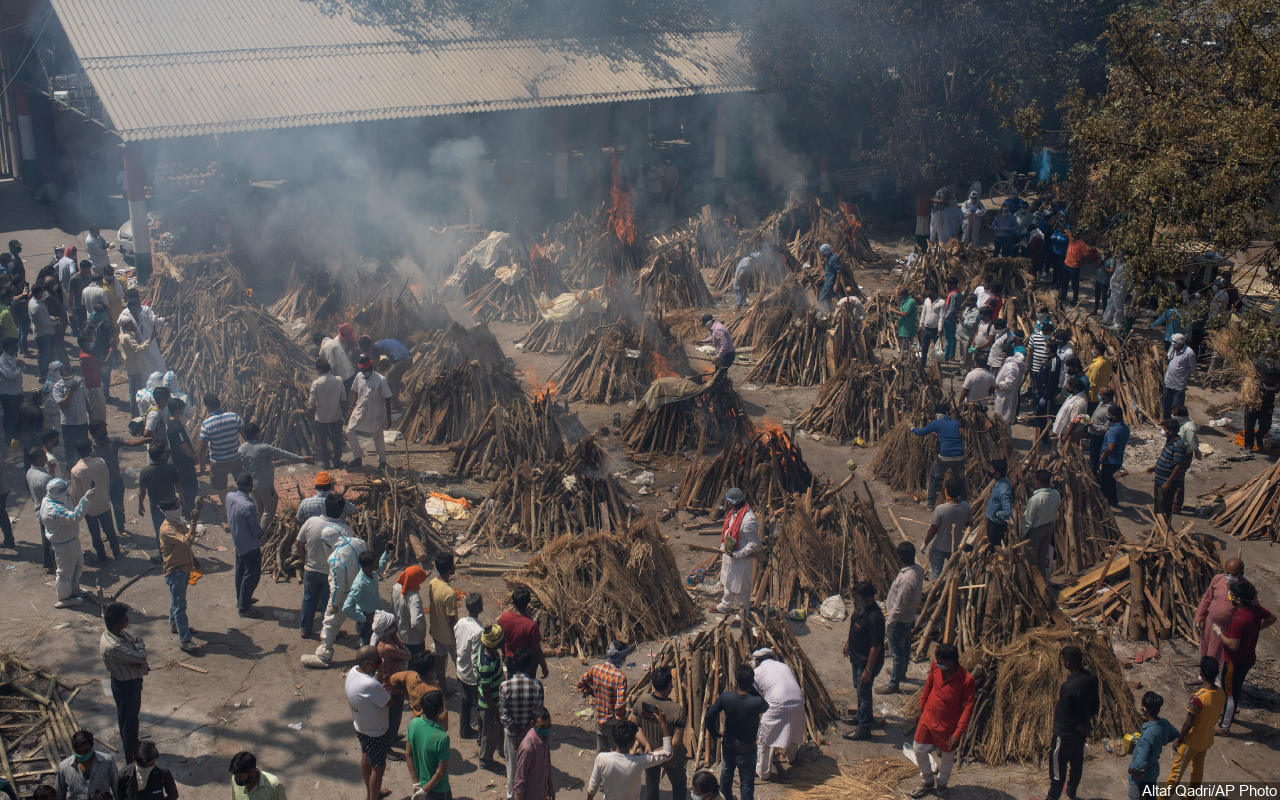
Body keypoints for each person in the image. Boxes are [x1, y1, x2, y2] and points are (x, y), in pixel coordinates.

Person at [909, 643, 974, 799]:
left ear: (951, 662)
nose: (937, 663)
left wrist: (958, 733)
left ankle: (942, 783)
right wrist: (921, 708)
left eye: (941, 661)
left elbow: (968, 708)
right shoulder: (936, 667)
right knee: (918, 748)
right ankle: (927, 779)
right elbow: (928, 685)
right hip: (928, 717)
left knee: (947, 757)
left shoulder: (966, 680)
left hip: (948, 725)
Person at [1213, 578, 1274, 733]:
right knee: (1235, 689)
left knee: (1231, 694)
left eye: (1231, 594)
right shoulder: (1256, 610)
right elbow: (1272, 618)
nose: (1229, 596)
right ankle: (1228, 714)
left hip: (1234, 661)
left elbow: (1233, 645)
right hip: (1248, 658)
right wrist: (1255, 629)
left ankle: (1224, 727)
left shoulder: (1239, 619)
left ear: (1238, 599)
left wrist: (1219, 633)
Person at [295, 493, 355, 638]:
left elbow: (298, 543)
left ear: (325, 506)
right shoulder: (345, 530)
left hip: (311, 569)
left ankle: (305, 629)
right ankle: (328, 631)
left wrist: (305, 560)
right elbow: (348, 555)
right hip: (332, 573)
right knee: (329, 604)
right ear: (342, 511)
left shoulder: (311, 522)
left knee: (309, 599)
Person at [704, 664, 767, 800]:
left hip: (729, 745)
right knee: (747, 783)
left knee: (726, 776)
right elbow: (766, 706)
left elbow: (709, 716)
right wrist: (752, 688)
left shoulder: (726, 698)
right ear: (751, 683)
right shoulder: (756, 701)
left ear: (736, 682)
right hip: (748, 748)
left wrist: (714, 733)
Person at [1045, 645, 1099, 800]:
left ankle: (1052, 797)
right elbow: (1095, 705)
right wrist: (1084, 722)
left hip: (1064, 734)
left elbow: (1064, 714)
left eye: (1062, 660)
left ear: (1067, 663)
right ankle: (1071, 791)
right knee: (1076, 765)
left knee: (1057, 773)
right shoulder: (1091, 678)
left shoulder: (1068, 687)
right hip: (1080, 733)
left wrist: (1065, 728)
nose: (1062, 663)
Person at [627, 665, 688, 800]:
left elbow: (633, 725)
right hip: (672, 758)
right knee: (679, 785)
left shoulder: (643, 701)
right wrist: (660, 751)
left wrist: (647, 744)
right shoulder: (677, 710)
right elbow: (676, 742)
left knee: (652, 785)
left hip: (649, 755)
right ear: (669, 685)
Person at [1166, 657, 1226, 788]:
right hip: (1206, 740)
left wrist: (1178, 739)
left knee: (1175, 775)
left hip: (1191, 742)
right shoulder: (1221, 693)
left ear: (1201, 674)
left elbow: (1188, 723)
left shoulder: (1198, 698)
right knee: (1197, 772)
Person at [101, 601, 149, 763]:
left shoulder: (117, 634)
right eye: (125, 619)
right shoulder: (115, 646)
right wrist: (140, 647)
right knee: (129, 723)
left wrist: (137, 647)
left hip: (129, 682)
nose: (128, 622)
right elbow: (140, 656)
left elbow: (134, 641)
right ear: (118, 623)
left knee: (130, 719)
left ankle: (133, 745)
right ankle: (132, 757)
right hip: (126, 686)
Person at [238, 422, 309, 528]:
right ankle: (260, 535)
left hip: (251, 485)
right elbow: (284, 453)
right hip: (265, 485)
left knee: (258, 511)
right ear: (257, 435)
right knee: (269, 511)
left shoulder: (241, 449)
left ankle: (254, 531)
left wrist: (275, 463)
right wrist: (303, 459)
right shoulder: (264, 448)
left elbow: (253, 462)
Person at [345, 645, 393, 800]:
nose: (378, 665)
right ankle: (373, 797)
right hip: (376, 732)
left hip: (361, 726)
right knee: (378, 768)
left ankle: (371, 793)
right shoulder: (370, 685)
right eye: (376, 662)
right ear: (367, 663)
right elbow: (389, 702)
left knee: (366, 757)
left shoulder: (353, 672)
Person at [586, 718, 673, 800]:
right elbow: (668, 753)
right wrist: (663, 724)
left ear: (615, 738)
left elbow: (592, 787)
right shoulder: (639, 761)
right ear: (632, 742)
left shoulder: (602, 759)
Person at [878, 541, 923, 696]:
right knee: (904, 648)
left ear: (899, 557)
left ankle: (893, 684)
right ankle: (901, 672)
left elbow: (899, 605)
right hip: (909, 617)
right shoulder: (918, 569)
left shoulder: (906, 580)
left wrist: (889, 623)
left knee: (897, 653)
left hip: (900, 619)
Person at [750, 649, 803, 781]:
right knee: (793, 728)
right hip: (798, 700)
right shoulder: (784, 666)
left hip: (777, 702)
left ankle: (763, 772)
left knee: (765, 738)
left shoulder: (757, 672)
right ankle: (792, 757)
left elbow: (752, 694)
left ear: (757, 661)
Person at [41, 478, 94, 607]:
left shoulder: (55, 498)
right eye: (65, 490)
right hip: (63, 544)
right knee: (64, 572)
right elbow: (74, 517)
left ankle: (74, 590)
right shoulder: (53, 510)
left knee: (77, 565)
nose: (67, 492)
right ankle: (64, 598)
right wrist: (85, 499)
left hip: (71, 539)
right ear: (58, 492)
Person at [501, 649, 546, 800]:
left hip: (511, 735)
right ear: (530, 665)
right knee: (531, 769)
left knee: (512, 770)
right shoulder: (537, 686)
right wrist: (525, 732)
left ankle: (511, 796)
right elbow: (538, 714)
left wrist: (517, 732)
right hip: (531, 736)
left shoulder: (505, 686)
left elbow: (503, 715)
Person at [843, 581, 884, 741]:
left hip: (867, 662)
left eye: (858, 598)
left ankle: (864, 729)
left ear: (868, 599)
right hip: (856, 657)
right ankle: (860, 717)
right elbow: (853, 625)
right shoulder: (860, 609)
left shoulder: (875, 617)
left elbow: (876, 647)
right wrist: (848, 643)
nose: (855, 601)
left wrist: (868, 670)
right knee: (859, 691)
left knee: (864, 694)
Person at [157, 497, 199, 652]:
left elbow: (186, 547)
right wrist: (194, 522)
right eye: (176, 507)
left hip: (184, 568)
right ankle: (185, 640)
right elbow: (187, 542)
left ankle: (175, 625)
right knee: (180, 606)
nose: (179, 508)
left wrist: (194, 559)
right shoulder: (168, 529)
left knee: (176, 601)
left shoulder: (178, 522)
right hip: (176, 571)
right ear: (168, 511)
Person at [70, 439, 121, 562]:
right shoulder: (101, 462)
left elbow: (77, 493)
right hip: (103, 502)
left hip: (89, 507)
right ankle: (117, 552)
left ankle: (102, 556)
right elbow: (107, 481)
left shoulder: (75, 470)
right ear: (90, 449)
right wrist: (105, 494)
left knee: (95, 534)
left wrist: (79, 507)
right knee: (110, 530)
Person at [579, 641, 632, 752]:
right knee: (620, 754)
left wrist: (592, 692)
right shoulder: (620, 678)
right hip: (612, 723)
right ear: (621, 657)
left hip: (598, 719)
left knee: (602, 753)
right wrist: (622, 719)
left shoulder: (596, 669)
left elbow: (580, 682)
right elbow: (619, 707)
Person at [715, 488, 759, 621]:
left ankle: (742, 614)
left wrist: (738, 554)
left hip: (740, 560)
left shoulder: (748, 520)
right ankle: (725, 605)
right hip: (729, 555)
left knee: (741, 588)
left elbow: (753, 543)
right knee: (727, 582)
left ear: (731, 502)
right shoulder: (734, 513)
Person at [227, 473, 264, 617]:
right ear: (250, 486)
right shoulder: (248, 506)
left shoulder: (229, 496)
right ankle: (244, 607)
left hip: (238, 542)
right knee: (252, 575)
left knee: (241, 572)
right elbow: (256, 531)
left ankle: (241, 599)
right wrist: (263, 536)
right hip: (250, 546)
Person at [1195, 557, 1244, 666]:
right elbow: (1206, 599)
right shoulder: (1218, 579)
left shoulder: (1245, 588)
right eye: (1227, 573)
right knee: (1206, 650)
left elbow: (1250, 612)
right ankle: (1203, 676)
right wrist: (1199, 616)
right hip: (1210, 624)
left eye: (1233, 574)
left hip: (1226, 629)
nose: (1229, 577)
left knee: (1220, 655)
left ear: (1241, 573)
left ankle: (1216, 679)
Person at [1128, 692, 1177, 800]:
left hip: (1141, 777)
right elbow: (1175, 734)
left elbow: (1139, 763)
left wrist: (1131, 770)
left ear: (1144, 709)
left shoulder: (1148, 735)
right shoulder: (1163, 723)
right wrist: (1161, 741)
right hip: (1153, 769)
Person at [372, 610, 412, 746]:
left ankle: (392, 737)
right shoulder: (388, 647)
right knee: (393, 717)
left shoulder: (379, 640)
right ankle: (388, 745)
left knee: (392, 717)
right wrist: (397, 639)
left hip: (387, 684)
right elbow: (407, 655)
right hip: (391, 687)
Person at [197, 394, 245, 504]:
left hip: (218, 462)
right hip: (236, 458)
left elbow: (203, 447)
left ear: (207, 407)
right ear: (219, 404)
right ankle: (244, 504)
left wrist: (201, 463)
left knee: (221, 489)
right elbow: (245, 436)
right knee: (241, 484)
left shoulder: (206, 424)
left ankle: (228, 509)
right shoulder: (234, 417)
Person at [347, 356, 392, 470]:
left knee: (378, 437)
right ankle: (358, 458)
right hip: (360, 410)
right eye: (362, 370)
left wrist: (389, 417)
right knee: (349, 431)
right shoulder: (359, 376)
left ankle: (382, 462)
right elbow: (355, 392)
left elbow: (388, 398)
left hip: (375, 413)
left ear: (371, 368)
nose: (363, 372)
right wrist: (351, 407)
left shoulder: (380, 380)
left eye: (365, 370)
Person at [138, 444, 181, 560]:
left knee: (160, 532)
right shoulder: (171, 468)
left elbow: (142, 492)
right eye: (164, 453)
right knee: (174, 529)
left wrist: (140, 505)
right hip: (172, 505)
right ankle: (176, 553)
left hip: (156, 507)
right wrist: (182, 500)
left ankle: (164, 556)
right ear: (161, 456)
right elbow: (179, 486)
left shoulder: (145, 471)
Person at [407, 690, 452, 800]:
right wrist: (425, 790)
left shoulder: (413, 724)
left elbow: (408, 754)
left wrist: (416, 783)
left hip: (421, 784)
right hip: (439, 790)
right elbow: (440, 773)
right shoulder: (442, 738)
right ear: (441, 710)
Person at [498, 587, 549, 679]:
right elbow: (537, 650)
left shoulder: (504, 617)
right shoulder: (531, 626)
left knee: (511, 684)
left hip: (510, 659)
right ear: (528, 603)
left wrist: (504, 654)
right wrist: (544, 668)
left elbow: (501, 639)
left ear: (513, 601)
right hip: (527, 663)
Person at [1020, 469, 1062, 580]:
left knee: (1032, 558)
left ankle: (1034, 582)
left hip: (1036, 531)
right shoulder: (1056, 494)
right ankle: (1043, 579)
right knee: (1043, 556)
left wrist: (1022, 535)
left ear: (1037, 482)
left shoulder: (1035, 499)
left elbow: (1028, 520)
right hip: (1049, 528)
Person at [344, 549, 391, 645]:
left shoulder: (371, 573)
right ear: (369, 565)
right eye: (376, 562)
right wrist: (364, 618)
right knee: (368, 648)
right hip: (366, 624)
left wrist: (386, 552)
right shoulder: (359, 584)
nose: (378, 563)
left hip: (375, 618)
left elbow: (381, 567)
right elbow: (346, 608)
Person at [924, 480, 970, 579]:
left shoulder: (940, 509)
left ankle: (935, 590)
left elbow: (933, 530)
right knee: (951, 573)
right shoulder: (966, 507)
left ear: (947, 492)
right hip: (955, 548)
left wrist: (925, 543)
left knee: (936, 573)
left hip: (939, 547)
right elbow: (969, 524)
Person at [49, 361, 90, 470]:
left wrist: (90, 413)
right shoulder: (58, 387)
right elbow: (62, 403)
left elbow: (85, 398)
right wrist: (71, 391)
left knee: (84, 447)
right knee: (70, 448)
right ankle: (72, 469)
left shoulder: (80, 381)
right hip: (69, 424)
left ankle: (85, 468)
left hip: (82, 421)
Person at [454, 592, 485, 738]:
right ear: (480, 607)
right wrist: (480, 677)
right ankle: (480, 733)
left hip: (461, 669)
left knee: (464, 702)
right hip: (472, 676)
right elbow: (475, 658)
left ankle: (464, 730)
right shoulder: (479, 631)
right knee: (479, 704)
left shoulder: (460, 622)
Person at [476, 624, 507, 767]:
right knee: (490, 733)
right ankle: (485, 760)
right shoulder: (487, 664)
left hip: (485, 701)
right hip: (490, 704)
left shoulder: (484, 650)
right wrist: (495, 711)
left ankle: (484, 743)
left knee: (485, 728)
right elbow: (487, 690)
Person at [428, 553, 460, 689]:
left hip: (436, 631)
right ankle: (465, 691)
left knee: (440, 662)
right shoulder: (450, 593)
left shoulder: (432, 583)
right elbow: (451, 619)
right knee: (459, 663)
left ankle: (444, 689)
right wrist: (457, 637)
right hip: (449, 637)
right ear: (450, 569)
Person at [56, 731, 118, 800]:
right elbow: (59, 793)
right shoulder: (64, 766)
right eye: (78, 752)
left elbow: (117, 788)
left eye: (86, 751)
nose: (82, 755)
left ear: (92, 746)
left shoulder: (107, 761)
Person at [1149, 418, 1191, 521]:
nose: (1163, 431)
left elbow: (1178, 466)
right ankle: (1158, 528)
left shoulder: (1178, 445)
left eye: (1165, 429)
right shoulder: (1170, 441)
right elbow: (1167, 459)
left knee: (1164, 508)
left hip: (1166, 482)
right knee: (1158, 505)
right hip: (1160, 479)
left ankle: (1163, 529)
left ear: (1171, 431)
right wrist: (1155, 467)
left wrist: (1168, 483)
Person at [117, 288, 165, 376]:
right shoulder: (126, 314)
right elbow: (120, 322)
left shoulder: (144, 310)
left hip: (149, 343)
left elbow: (154, 320)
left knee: (156, 364)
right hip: (139, 346)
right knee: (145, 368)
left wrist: (164, 320)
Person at [309, 358, 347, 468]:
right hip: (336, 415)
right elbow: (344, 398)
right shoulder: (339, 380)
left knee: (322, 440)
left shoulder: (316, 383)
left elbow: (311, 403)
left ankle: (325, 462)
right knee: (337, 439)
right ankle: (337, 460)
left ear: (318, 370)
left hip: (321, 418)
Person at [165, 399, 199, 515]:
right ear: (178, 410)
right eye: (182, 409)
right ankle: (188, 509)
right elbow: (183, 445)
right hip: (183, 462)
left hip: (178, 461)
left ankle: (186, 507)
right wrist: (193, 456)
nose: (183, 411)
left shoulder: (170, 423)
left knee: (184, 486)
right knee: (190, 486)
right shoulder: (176, 427)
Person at [26, 447, 57, 571]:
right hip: (49, 513)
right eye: (44, 456)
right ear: (38, 459)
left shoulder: (30, 472)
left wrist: (51, 471)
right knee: (53, 542)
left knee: (46, 540)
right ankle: (56, 567)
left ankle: (49, 565)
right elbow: (54, 493)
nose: (46, 458)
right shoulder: (45, 478)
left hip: (39, 510)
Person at [513, 707, 553, 800]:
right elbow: (520, 781)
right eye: (542, 727)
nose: (546, 729)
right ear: (532, 723)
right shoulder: (528, 748)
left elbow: (547, 765)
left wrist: (550, 787)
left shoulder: (543, 737)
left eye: (548, 726)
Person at [1243, 357, 1280, 452]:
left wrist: (1267, 388)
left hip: (1267, 402)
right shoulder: (1255, 366)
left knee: (1266, 425)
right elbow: (1246, 378)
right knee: (1249, 425)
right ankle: (1248, 446)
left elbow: (1277, 387)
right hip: (1252, 401)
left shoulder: (1276, 372)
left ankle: (1259, 436)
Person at [391, 564, 428, 654]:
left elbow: (393, 607)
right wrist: (423, 628)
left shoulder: (395, 587)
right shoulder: (413, 597)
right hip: (414, 639)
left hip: (401, 633)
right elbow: (416, 622)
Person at [1098, 406, 1129, 508]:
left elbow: (1110, 447)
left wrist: (1102, 457)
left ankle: (1107, 503)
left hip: (1109, 461)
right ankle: (1113, 501)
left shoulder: (1113, 431)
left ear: (1113, 416)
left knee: (1106, 483)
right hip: (1118, 459)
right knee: (1111, 482)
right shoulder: (1125, 428)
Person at [1163, 334, 1195, 420]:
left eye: (1175, 344)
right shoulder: (1173, 348)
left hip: (1179, 385)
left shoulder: (1189, 353)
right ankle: (1166, 421)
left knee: (1177, 406)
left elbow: (1192, 368)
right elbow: (1169, 358)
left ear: (1181, 344)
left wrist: (1185, 379)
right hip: (1168, 381)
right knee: (1166, 404)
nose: (1173, 346)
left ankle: (1177, 423)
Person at [29, 283, 56, 381]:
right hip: (42, 333)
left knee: (46, 354)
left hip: (43, 331)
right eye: (42, 292)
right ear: (38, 292)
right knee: (43, 356)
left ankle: (45, 373)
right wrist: (55, 322)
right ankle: (42, 375)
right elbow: (43, 322)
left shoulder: (35, 301)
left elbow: (44, 316)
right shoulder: (36, 306)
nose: (43, 293)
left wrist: (51, 318)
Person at [1087, 387, 1117, 475]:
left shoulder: (1110, 409)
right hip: (1093, 435)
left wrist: (1093, 425)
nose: (1098, 395)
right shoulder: (1101, 403)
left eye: (1100, 394)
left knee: (1095, 459)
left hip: (1099, 437)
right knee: (1092, 457)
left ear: (1107, 396)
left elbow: (1107, 428)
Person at [1052, 377, 1089, 445]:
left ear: (1074, 388)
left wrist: (1066, 435)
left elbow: (1074, 421)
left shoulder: (1079, 403)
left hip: (1071, 433)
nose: (1067, 388)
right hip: (1066, 430)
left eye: (1068, 386)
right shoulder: (1073, 396)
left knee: (1068, 452)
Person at [320, 323, 359, 387]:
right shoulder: (336, 343)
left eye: (351, 334)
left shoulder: (348, 340)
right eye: (348, 335)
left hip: (352, 372)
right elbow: (332, 365)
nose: (350, 336)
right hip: (344, 377)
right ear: (343, 335)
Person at [993, 347, 1025, 425]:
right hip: (1005, 395)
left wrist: (997, 385)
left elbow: (1009, 383)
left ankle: (1004, 436)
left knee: (1003, 421)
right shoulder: (1010, 364)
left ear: (1004, 353)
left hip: (1006, 398)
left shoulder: (1011, 366)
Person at [984, 460, 1012, 547]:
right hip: (992, 523)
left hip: (996, 526)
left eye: (991, 470)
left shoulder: (1003, 491)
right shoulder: (1002, 481)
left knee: (993, 547)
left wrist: (997, 514)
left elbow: (1007, 512)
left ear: (998, 473)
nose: (990, 471)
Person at [917, 286, 943, 371]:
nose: (929, 295)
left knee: (937, 349)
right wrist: (921, 325)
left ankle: (937, 366)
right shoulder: (926, 300)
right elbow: (923, 313)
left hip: (936, 330)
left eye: (930, 293)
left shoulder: (941, 302)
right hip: (926, 328)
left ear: (935, 292)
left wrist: (940, 329)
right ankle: (923, 364)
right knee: (924, 347)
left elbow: (941, 317)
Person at [889, 286, 918, 357]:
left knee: (911, 345)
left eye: (900, 296)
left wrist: (893, 310)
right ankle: (904, 358)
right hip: (903, 329)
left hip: (909, 329)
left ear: (904, 294)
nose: (899, 297)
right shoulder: (903, 302)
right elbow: (901, 313)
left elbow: (905, 313)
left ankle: (912, 358)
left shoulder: (911, 302)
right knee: (904, 347)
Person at [941, 279, 962, 361]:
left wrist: (944, 318)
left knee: (949, 339)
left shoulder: (953, 294)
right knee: (952, 337)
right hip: (953, 317)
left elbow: (951, 308)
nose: (947, 286)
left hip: (949, 318)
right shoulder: (958, 293)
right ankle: (951, 355)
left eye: (949, 284)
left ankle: (947, 356)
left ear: (952, 284)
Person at [817, 243, 842, 309]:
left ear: (826, 252)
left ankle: (820, 312)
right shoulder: (828, 257)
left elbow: (839, 271)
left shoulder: (833, 258)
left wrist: (836, 284)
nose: (822, 255)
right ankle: (828, 312)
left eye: (822, 253)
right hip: (827, 280)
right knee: (828, 299)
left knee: (821, 298)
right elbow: (828, 269)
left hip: (830, 282)